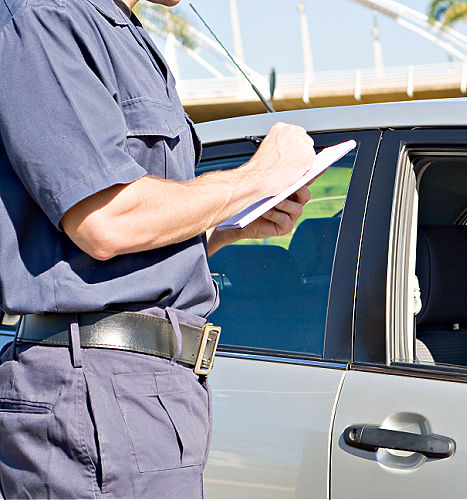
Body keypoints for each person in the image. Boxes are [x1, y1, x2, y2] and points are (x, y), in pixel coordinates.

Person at [0, 0, 316, 497]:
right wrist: (255, 178)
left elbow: (124, 249)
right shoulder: (49, 14)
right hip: (98, 386)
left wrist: (227, 227)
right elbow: (105, 221)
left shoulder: (122, 31)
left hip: (146, 386)